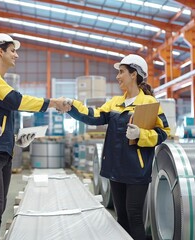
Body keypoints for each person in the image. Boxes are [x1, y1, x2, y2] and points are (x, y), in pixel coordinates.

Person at [0, 33, 70, 240]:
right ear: (0, 51)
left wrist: (16, 138)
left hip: (1, 152)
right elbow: (16, 101)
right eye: (13, 51)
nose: (16, 55)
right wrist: (51, 102)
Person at [64, 54, 170, 240]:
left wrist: (141, 135)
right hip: (116, 169)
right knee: (121, 218)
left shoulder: (149, 103)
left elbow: (163, 133)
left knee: (134, 216)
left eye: (121, 72)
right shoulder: (115, 103)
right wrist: (73, 106)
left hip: (137, 169)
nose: (118, 76)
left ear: (134, 74)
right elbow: (93, 115)